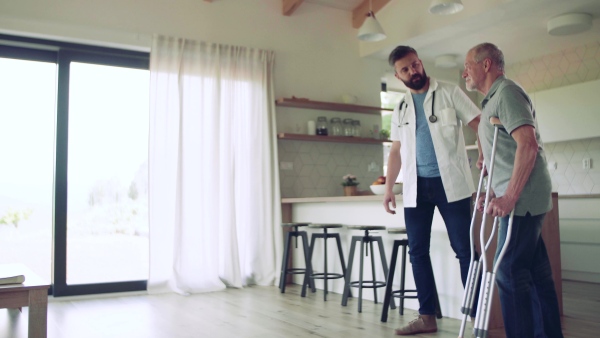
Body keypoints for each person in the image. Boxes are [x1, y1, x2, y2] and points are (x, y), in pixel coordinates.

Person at [463, 42, 563, 338]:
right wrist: (493, 192)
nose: (464, 71)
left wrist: (509, 197)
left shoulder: (506, 93)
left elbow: (528, 146)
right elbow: (504, 157)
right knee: (535, 272)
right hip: (520, 196)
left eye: (469, 64)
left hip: (523, 199)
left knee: (507, 272)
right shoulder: (491, 100)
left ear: (486, 65)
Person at [383, 45, 482, 335]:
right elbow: (396, 152)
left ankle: (477, 316)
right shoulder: (400, 107)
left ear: (421, 63)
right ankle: (427, 317)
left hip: (451, 184)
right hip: (415, 188)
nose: (413, 71)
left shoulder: (450, 92)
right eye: (405, 69)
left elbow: (479, 124)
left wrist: (485, 154)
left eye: (415, 65)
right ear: (397, 74)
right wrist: (389, 187)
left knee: (465, 251)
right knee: (417, 252)